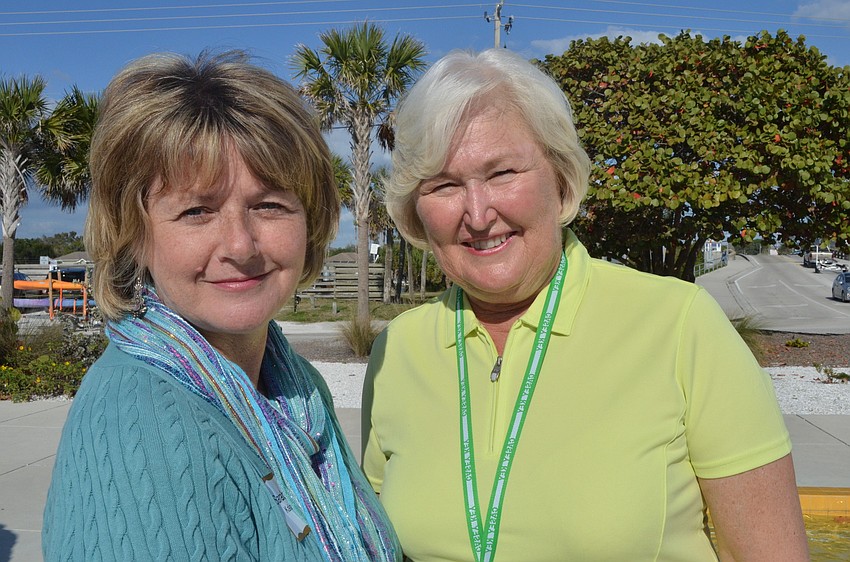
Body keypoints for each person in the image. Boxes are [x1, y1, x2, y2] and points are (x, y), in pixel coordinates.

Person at [362, 48, 809, 561]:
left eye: (503, 172)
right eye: (444, 185)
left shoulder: (680, 326)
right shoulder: (396, 350)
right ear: (415, 210)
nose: (479, 213)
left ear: (561, 179)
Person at [43, 50, 400, 562]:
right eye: (196, 211)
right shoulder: (146, 425)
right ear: (135, 236)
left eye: (269, 205)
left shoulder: (293, 389)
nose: (240, 245)